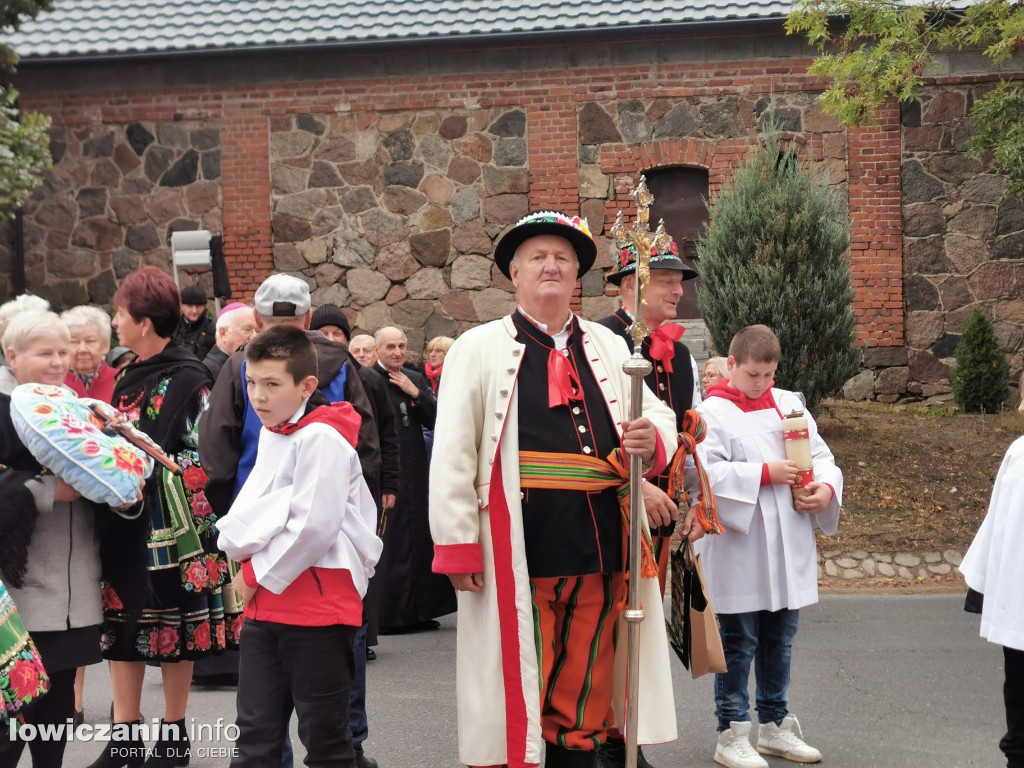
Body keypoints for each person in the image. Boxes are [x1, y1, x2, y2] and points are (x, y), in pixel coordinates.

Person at [429, 211, 679, 768]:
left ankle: (577, 752)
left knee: (589, 670)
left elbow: (662, 418)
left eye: (562, 258)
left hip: (600, 541)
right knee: (522, 666)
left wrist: (650, 440)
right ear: (514, 274)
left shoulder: (613, 346)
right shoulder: (477, 347)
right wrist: (456, 543)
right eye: (538, 257)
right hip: (520, 540)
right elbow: (452, 455)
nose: (551, 266)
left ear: (576, 277)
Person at [198, 276, 382, 768]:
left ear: (306, 386)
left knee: (325, 741)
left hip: (317, 609)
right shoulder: (280, 433)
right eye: (252, 383)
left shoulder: (321, 439)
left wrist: (253, 572)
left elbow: (312, 528)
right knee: (255, 738)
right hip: (267, 609)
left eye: (271, 384)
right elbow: (247, 516)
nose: (258, 396)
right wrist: (249, 548)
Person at [89, 267, 229, 768]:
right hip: (121, 518)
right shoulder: (127, 373)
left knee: (173, 624)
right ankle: (123, 735)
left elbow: (200, 454)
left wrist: (144, 460)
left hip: (166, 525)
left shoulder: (192, 377)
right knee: (121, 625)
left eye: (120, 314)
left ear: (144, 322)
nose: (114, 322)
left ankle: (175, 735)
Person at [0, 311, 147, 768]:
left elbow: (114, 473)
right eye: (45, 353)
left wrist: (127, 497)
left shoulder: (77, 406)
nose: (57, 362)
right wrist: (49, 493)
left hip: (76, 588)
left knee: (59, 708)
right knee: (10, 719)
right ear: (12, 356)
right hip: (19, 596)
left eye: (62, 352)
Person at [696, 325, 842, 768]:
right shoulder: (711, 412)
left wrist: (825, 489)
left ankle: (775, 726)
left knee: (781, 637)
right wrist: (763, 473)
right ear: (731, 364)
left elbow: (822, 457)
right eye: (752, 374)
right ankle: (731, 732)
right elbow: (702, 474)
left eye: (768, 374)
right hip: (740, 547)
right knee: (738, 641)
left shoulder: (790, 404)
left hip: (788, 539)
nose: (760, 383)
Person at [596, 239, 706, 767]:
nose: (678, 290)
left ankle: (628, 735)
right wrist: (635, 483)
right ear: (629, 285)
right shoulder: (599, 341)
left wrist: (693, 505)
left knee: (643, 626)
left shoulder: (681, 353)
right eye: (666, 280)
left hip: (663, 516)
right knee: (608, 623)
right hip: (610, 506)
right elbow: (592, 435)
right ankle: (598, 736)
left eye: (679, 281)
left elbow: (681, 433)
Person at [309, 302, 401, 764]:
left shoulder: (366, 379)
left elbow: (386, 435)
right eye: (322, 331)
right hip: (311, 519)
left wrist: (387, 486)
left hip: (357, 511)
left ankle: (351, 738)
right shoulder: (292, 380)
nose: (331, 339)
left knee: (354, 618)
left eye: (336, 331)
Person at [960, 370, 1024, 768]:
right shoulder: (1018, 453)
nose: (1020, 407)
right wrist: (981, 584)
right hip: (1020, 602)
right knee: (1018, 693)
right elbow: (998, 519)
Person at [373, 326, 454, 634]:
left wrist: (416, 393)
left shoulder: (415, 378)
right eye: (390, 346)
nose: (397, 352)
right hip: (388, 470)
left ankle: (423, 610)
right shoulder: (370, 380)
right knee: (393, 541)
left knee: (419, 536)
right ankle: (393, 614)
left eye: (402, 346)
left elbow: (438, 419)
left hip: (417, 470)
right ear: (379, 350)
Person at [61, 305, 117, 403]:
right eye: (74, 342)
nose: (82, 349)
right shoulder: (55, 383)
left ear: (106, 345)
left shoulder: (120, 380)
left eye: (90, 341)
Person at [203, 303, 257, 380]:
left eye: (257, 330)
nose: (254, 336)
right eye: (247, 329)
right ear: (223, 333)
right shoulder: (208, 371)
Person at [173, 284, 216, 361]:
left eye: (198, 306)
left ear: (204, 306)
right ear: (181, 306)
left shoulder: (212, 329)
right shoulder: (172, 327)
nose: (194, 310)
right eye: (190, 306)